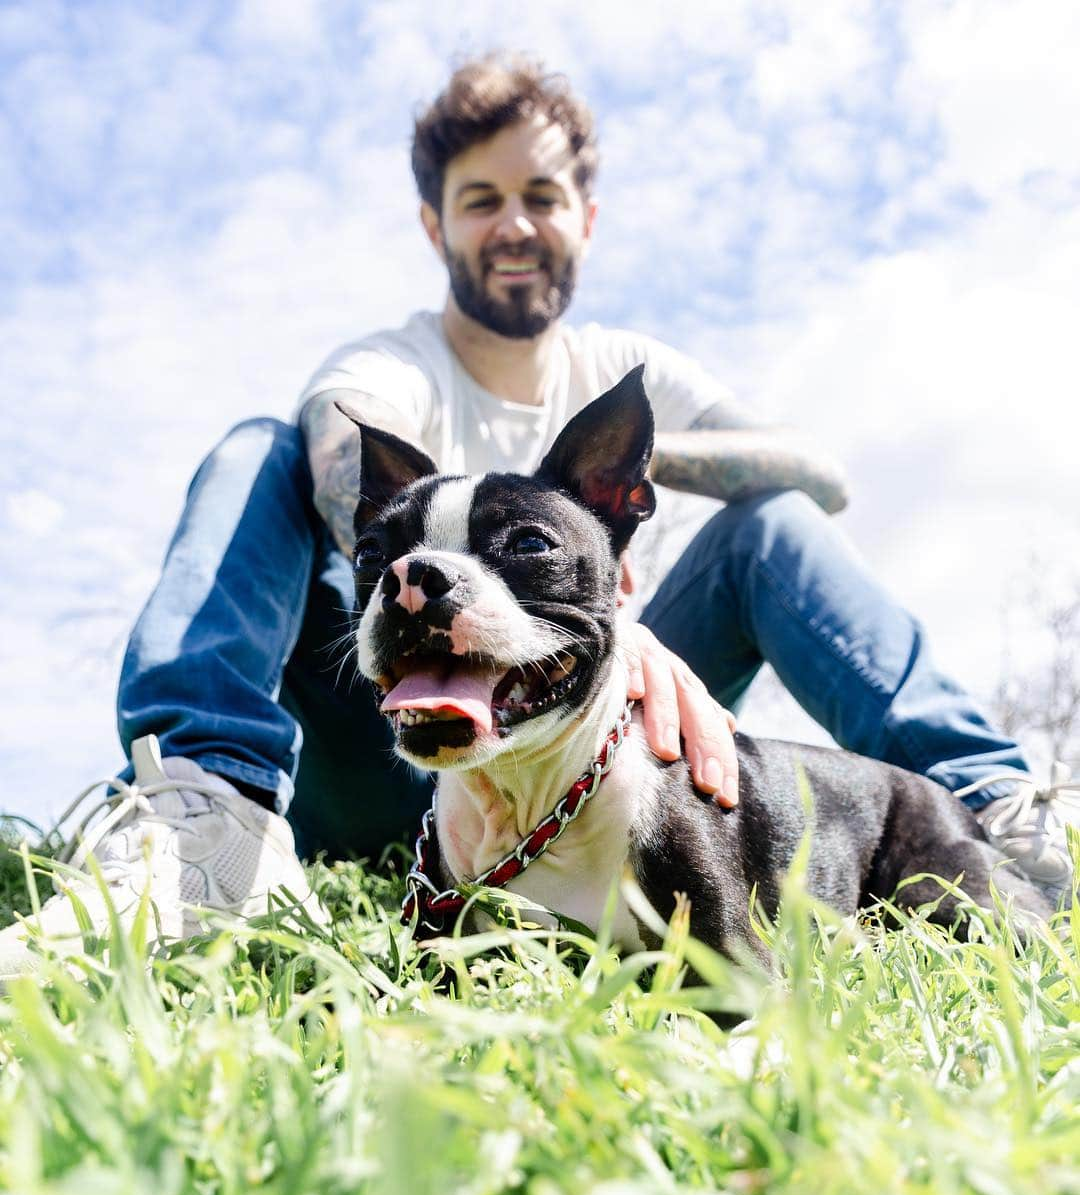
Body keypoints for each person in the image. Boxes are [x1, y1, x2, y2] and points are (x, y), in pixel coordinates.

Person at [2, 55, 1075, 979]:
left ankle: (1003, 809)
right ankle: (204, 809)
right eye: (480, 198)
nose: (514, 223)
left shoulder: (621, 370)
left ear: (584, 217)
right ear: (436, 224)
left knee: (777, 520)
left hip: (600, 712)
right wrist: (478, 528)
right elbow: (338, 456)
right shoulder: (392, 364)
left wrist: (601, 529)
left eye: (542, 195)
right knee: (256, 447)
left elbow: (821, 473)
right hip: (379, 735)